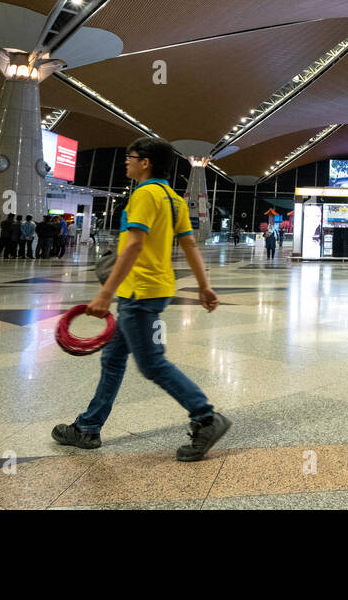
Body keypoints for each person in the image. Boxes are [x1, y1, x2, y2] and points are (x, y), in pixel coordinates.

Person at [53, 137, 230, 461]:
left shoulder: (145, 195)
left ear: (146, 162)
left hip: (139, 293)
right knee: (113, 359)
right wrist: (204, 286)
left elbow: (134, 245)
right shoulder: (173, 198)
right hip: (157, 289)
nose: (126, 162)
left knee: (152, 364)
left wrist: (106, 293)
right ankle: (88, 427)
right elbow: (189, 245)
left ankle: (206, 417)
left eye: (130, 157)